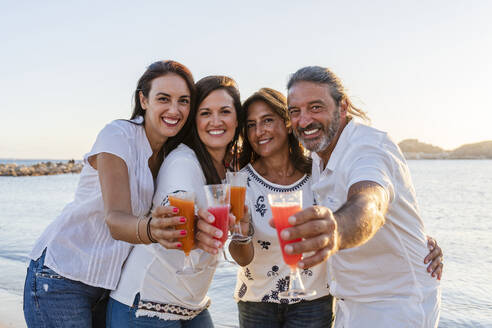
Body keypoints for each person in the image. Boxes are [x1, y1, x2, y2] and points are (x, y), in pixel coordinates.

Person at [229, 88, 443, 328]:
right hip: (257, 302)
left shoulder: (319, 171)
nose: (260, 131)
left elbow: (360, 206)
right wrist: (243, 235)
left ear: (288, 123)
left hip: (314, 299)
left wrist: (419, 242)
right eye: (251, 125)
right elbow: (242, 258)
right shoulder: (239, 181)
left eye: (268, 120)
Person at [23, 60, 195, 327]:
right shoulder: (118, 135)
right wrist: (153, 229)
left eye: (183, 101)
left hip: (109, 289)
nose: (175, 109)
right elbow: (116, 219)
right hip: (60, 279)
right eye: (164, 98)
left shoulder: (171, 156)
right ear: (144, 99)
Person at [106, 75, 244, 327]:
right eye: (205, 113)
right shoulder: (183, 161)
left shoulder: (231, 169)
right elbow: (177, 206)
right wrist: (195, 226)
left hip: (191, 303)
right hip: (145, 304)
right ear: (194, 120)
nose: (216, 121)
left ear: (237, 119)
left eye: (225, 111)